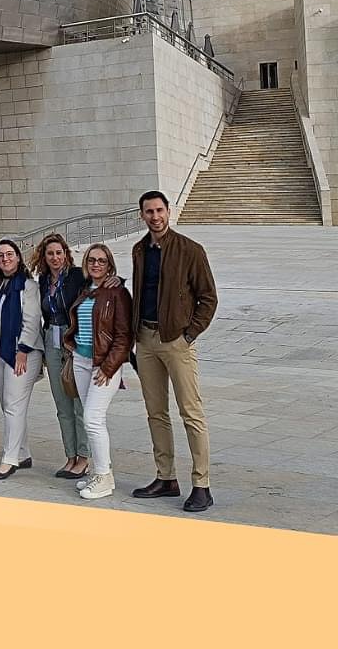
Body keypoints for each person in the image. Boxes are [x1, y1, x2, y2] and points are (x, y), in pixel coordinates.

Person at [130, 190, 218, 513]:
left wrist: (189, 334)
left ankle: (201, 484)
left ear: (169, 211)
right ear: (142, 216)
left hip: (176, 342)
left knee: (191, 413)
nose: (155, 216)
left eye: (159, 210)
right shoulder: (139, 250)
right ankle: (166, 477)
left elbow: (208, 298)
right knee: (156, 412)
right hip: (146, 340)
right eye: (149, 212)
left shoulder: (190, 250)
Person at [62, 243, 132, 500]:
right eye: (92, 260)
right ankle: (103, 473)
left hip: (103, 365)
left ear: (110, 265)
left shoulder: (117, 292)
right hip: (80, 361)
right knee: (89, 418)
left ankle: (103, 476)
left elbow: (124, 336)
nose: (96, 264)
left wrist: (109, 366)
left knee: (92, 418)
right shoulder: (85, 290)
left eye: (102, 261)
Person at [0, 238, 43, 480]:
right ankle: (22, 452)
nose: (5, 259)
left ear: (18, 257)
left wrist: (23, 349)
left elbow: (32, 321)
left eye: (10, 254)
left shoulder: (29, 286)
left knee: (13, 404)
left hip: (20, 354)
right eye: (1, 255)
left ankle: (9, 459)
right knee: (7, 405)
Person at [30, 232, 90, 480]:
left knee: (78, 403)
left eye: (59, 252)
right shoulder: (43, 280)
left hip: (73, 339)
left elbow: (99, 285)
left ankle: (84, 457)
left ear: (66, 254)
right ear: (44, 257)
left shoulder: (77, 277)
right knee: (61, 403)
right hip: (51, 339)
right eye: (50, 253)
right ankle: (70, 456)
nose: (55, 257)